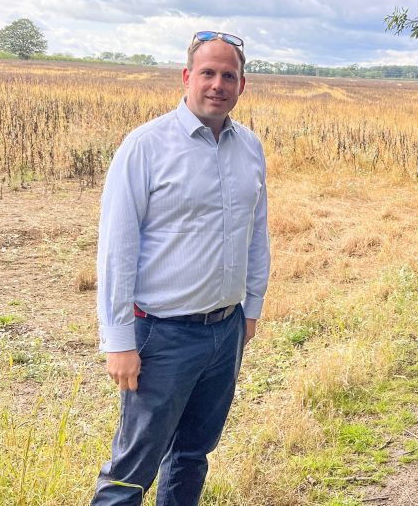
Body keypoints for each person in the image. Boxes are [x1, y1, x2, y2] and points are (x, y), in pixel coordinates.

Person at [91, 31, 270, 505]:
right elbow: (117, 248)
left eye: (228, 75)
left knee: (192, 454)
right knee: (132, 466)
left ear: (242, 85)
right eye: (208, 73)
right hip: (161, 337)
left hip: (225, 331)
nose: (218, 84)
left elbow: (257, 236)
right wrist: (119, 340)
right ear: (187, 77)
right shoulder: (146, 146)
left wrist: (249, 311)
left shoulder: (250, 148)